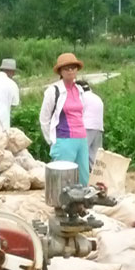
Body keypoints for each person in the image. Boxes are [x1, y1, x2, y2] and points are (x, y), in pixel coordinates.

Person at [39, 52, 90, 185]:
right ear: (60, 71)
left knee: (83, 178)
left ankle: (81, 199)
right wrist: (51, 141)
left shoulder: (79, 89)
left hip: (81, 138)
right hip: (64, 138)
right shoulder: (54, 90)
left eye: (73, 68)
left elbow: (82, 112)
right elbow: (44, 118)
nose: (70, 71)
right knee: (63, 180)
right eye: (66, 68)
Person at [77, 80, 104, 169]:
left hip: (87, 126)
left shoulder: (82, 97)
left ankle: (82, 173)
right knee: (96, 154)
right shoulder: (97, 97)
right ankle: (97, 174)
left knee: (82, 152)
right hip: (99, 127)